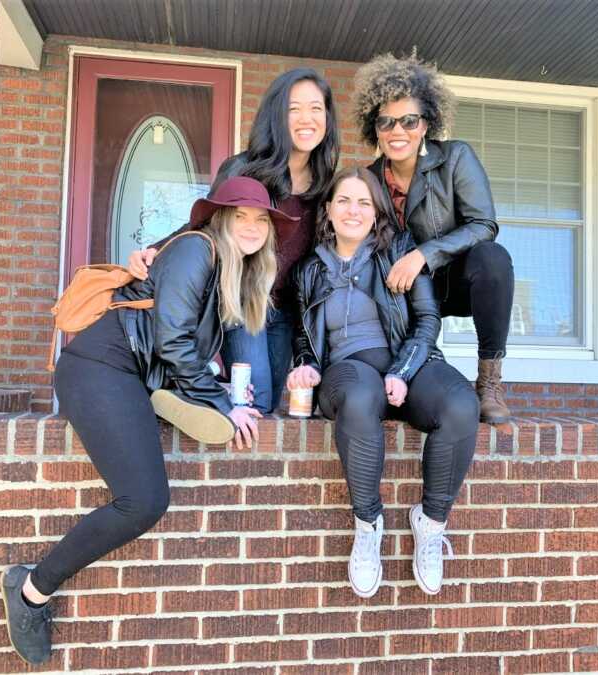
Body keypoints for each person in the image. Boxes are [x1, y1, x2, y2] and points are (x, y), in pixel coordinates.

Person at [0, 177, 295, 665]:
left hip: (131, 375)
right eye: (239, 216)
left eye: (260, 220)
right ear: (220, 219)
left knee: (151, 486)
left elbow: (176, 340)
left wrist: (214, 389)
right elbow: (174, 341)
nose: (250, 227)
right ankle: (31, 589)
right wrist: (223, 406)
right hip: (98, 367)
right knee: (144, 500)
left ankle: (168, 397)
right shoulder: (196, 250)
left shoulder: (229, 272)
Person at [287, 167, 480, 598]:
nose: (353, 210)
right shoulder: (308, 270)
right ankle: (368, 524)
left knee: (462, 404)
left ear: (376, 212)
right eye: (344, 201)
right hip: (349, 370)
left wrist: (402, 370)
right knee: (360, 395)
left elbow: (428, 320)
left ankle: (430, 523)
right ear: (329, 210)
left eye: (363, 202)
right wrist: (306, 363)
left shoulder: (400, 252)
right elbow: (303, 332)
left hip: (407, 361)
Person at [128, 68, 339, 414]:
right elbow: (202, 223)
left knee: (267, 405)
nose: (306, 118)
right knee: (253, 399)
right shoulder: (245, 168)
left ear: (328, 118)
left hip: (286, 309)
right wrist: (155, 250)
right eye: (293, 108)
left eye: (316, 108)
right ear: (276, 115)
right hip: (242, 300)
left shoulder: (325, 183)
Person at [353, 53, 516, 423]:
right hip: (401, 294)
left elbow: (483, 224)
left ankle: (490, 382)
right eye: (386, 121)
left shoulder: (456, 157)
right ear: (374, 128)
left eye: (409, 120)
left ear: (426, 123)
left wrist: (424, 254)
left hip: (454, 281)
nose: (398, 131)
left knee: (493, 258)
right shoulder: (368, 180)